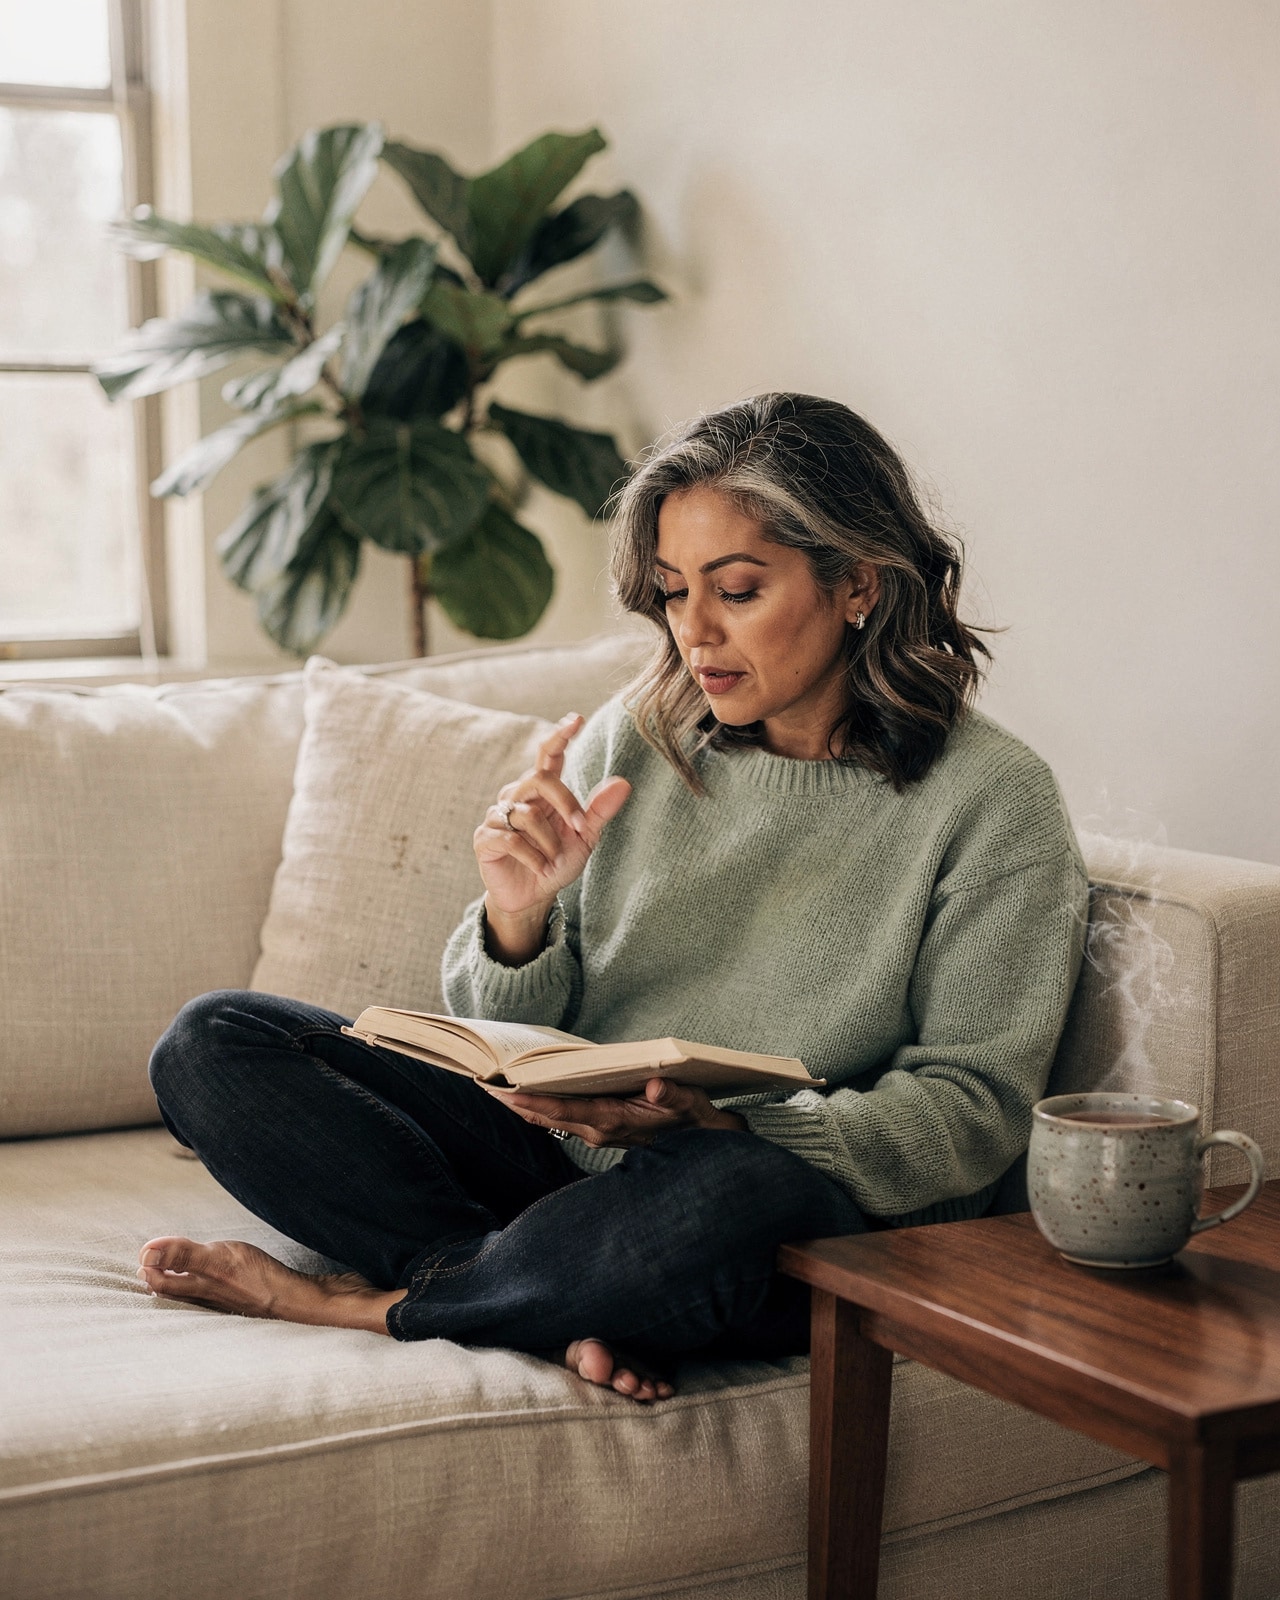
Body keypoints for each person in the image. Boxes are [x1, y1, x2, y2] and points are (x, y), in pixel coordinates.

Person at [139, 393, 1088, 1403]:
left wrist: (728, 1129)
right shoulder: (638, 738)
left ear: (857, 581)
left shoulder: (993, 801)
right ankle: (526, 1290)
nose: (695, 633)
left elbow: (973, 1110)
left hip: (770, 1198)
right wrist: (517, 917)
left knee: (734, 1196)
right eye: (673, 593)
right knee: (215, 1040)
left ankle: (375, 1304)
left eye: (736, 590)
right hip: (565, 1161)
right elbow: (504, 1045)